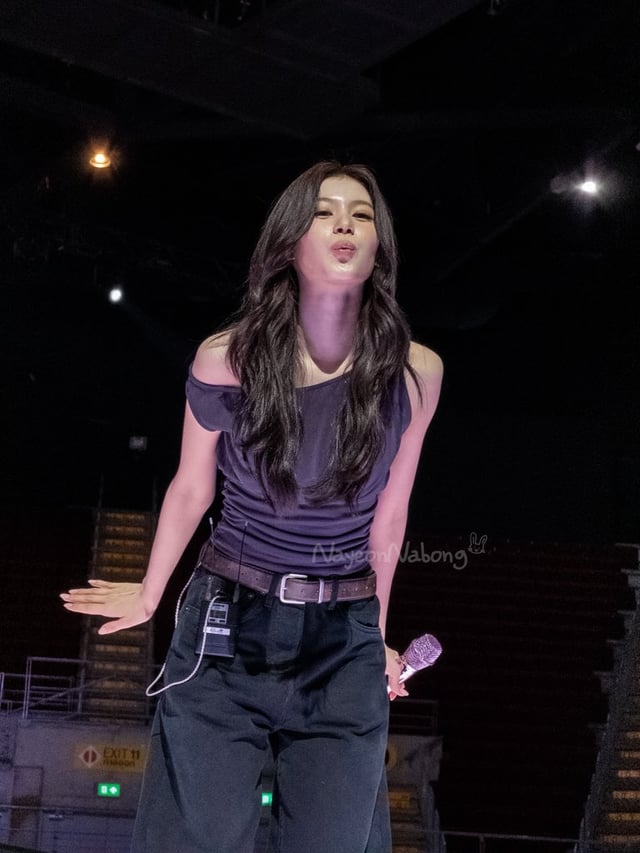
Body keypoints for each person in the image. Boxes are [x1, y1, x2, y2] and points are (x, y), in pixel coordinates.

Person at [61, 161, 443, 853]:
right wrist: (150, 592)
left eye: (360, 214)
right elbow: (191, 485)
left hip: (344, 638)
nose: (346, 223)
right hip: (228, 622)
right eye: (324, 212)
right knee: (193, 839)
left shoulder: (417, 372)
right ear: (290, 242)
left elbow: (391, 516)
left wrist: (377, 639)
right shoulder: (226, 358)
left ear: (379, 246)